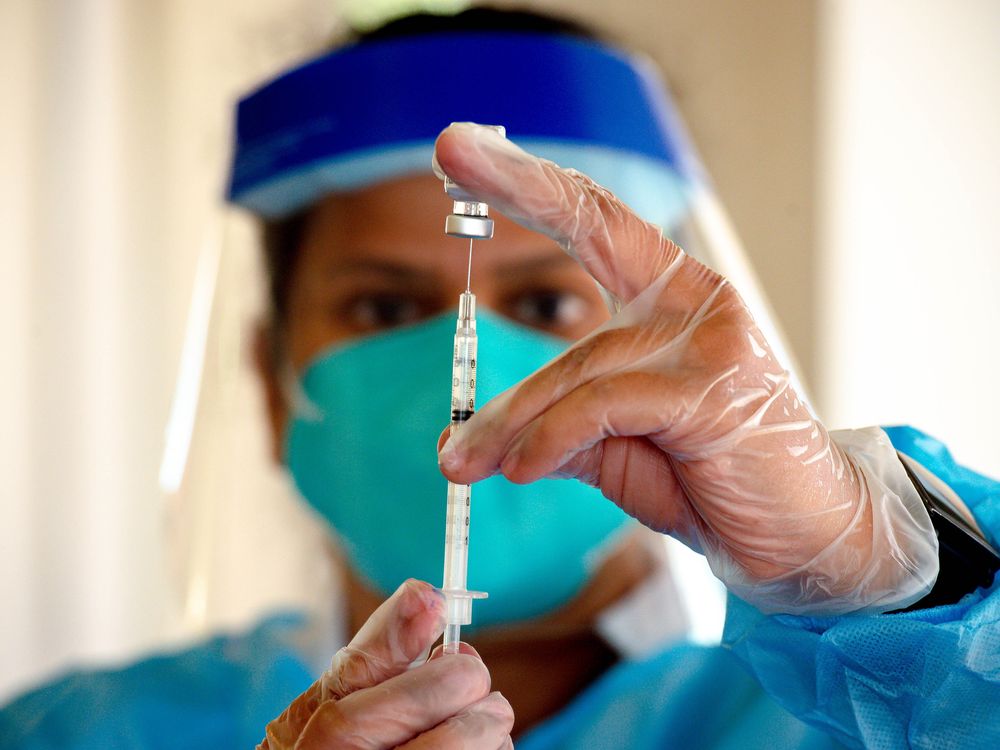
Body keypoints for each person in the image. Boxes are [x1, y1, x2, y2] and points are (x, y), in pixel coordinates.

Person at [3, 8, 999, 750]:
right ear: (271, 389)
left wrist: (897, 578)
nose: (459, 374)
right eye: (384, 310)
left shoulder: (826, 727)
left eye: (550, 306)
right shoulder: (78, 734)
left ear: (663, 364)